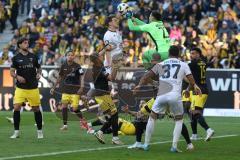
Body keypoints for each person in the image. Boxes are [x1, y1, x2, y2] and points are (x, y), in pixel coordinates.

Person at [134, 45, 201, 152]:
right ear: (179, 54)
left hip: (161, 95)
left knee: (152, 117)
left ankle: (146, 144)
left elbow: (146, 76)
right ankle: (174, 147)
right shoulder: (183, 64)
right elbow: (190, 78)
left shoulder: (161, 64)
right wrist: (195, 86)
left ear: (169, 54)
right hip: (175, 96)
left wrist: (139, 85)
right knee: (179, 120)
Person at [10, 37, 43, 139]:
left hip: (33, 87)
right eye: (24, 43)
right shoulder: (15, 58)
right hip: (20, 88)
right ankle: (16, 132)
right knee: (16, 107)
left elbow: (39, 68)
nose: (27, 44)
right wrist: (17, 76)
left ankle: (40, 131)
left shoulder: (33, 56)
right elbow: (11, 72)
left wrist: (39, 74)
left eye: (27, 43)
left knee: (36, 109)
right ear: (19, 45)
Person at [50, 50, 90, 131]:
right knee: (64, 106)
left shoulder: (77, 66)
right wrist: (53, 87)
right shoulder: (63, 66)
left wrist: (81, 87)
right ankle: (65, 125)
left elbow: (81, 76)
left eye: (72, 55)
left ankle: (83, 119)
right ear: (66, 56)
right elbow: (59, 77)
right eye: (68, 55)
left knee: (75, 109)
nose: (70, 56)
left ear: (74, 57)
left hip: (75, 90)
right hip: (65, 90)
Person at [90, 53, 123, 145]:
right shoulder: (100, 69)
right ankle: (112, 137)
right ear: (96, 59)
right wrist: (116, 67)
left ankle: (104, 133)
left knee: (113, 116)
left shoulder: (96, 67)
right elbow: (112, 78)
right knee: (114, 114)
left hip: (101, 95)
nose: (102, 57)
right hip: (103, 95)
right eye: (100, 57)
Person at [184, 47, 215, 141]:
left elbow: (189, 78)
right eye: (190, 53)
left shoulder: (192, 64)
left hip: (199, 91)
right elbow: (208, 64)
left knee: (195, 112)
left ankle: (208, 130)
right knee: (191, 111)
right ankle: (194, 135)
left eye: (193, 53)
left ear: (198, 54)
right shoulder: (203, 63)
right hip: (202, 90)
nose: (191, 55)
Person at [99, 14, 124, 96]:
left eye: (117, 20)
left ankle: (111, 90)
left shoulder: (117, 32)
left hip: (117, 61)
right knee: (110, 79)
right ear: (110, 23)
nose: (117, 21)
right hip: (111, 62)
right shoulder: (107, 35)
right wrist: (110, 64)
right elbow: (107, 50)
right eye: (115, 20)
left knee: (111, 82)